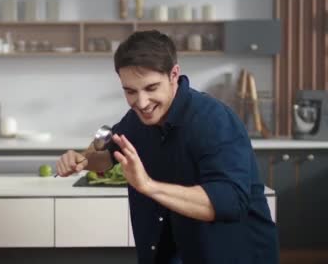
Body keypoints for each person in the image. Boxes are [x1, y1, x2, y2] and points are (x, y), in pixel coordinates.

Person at [56, 30, 278, 264]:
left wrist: (148, 186)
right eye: (130, 91)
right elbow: (109, 152)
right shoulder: (136, 120)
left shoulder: (213, 120)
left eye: (151, 88)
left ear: (174, 74)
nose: (141, 103)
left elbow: (229, 202)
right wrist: (82, 159)